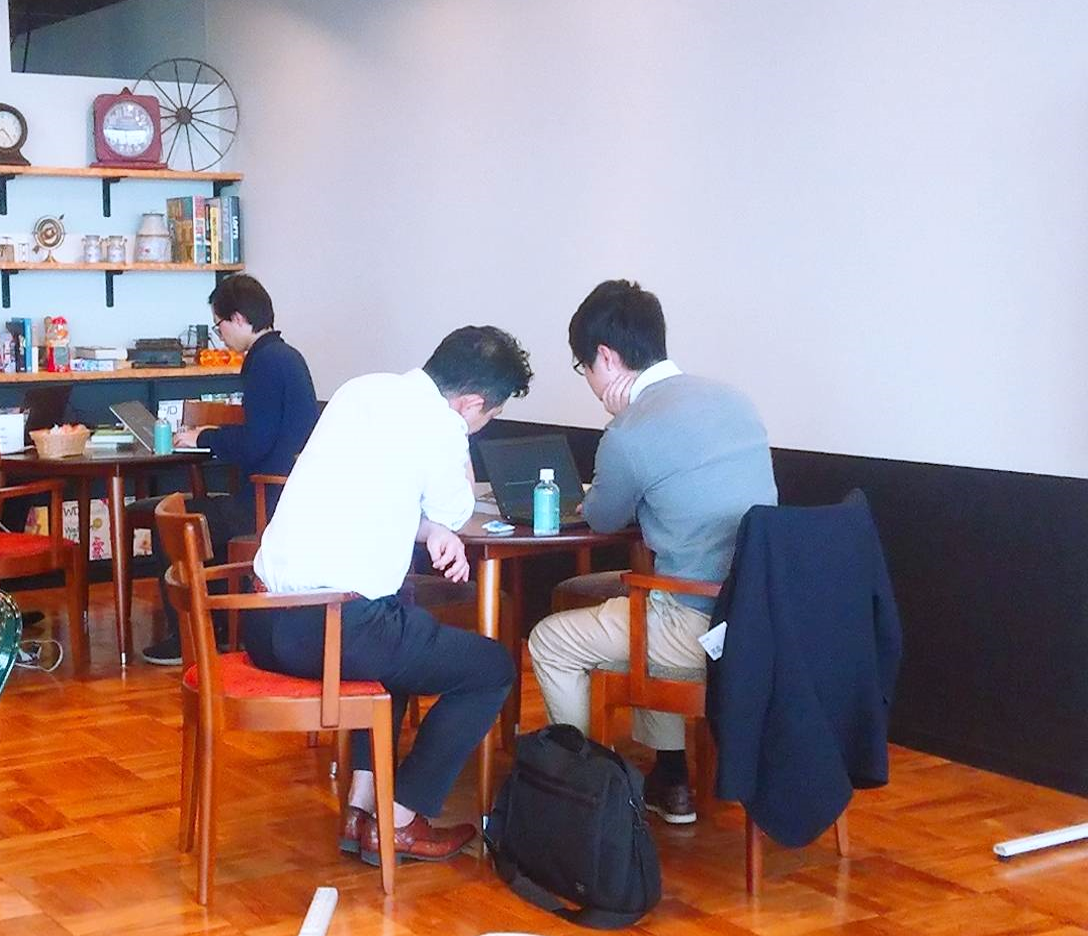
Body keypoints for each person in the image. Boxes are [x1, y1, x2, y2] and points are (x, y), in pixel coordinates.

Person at [248, 325, 532, 865]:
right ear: (472, 403)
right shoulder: (441, 425)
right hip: (333, 631)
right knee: (491, 668)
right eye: (487, 416)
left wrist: (428, 530)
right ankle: (399, 819)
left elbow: (364, 495)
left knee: (398, 630)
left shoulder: (360, 390)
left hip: (263, 618)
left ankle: (360, 809)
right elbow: (458, 509)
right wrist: (458, 446)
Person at [527, 279, 778, 825]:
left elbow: (602, 517)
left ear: (606, 357)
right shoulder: (735, 401)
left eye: (585, 368)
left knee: (551, 640)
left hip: (696, 626)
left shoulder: (632, 430)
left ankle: (591, 791)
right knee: (643, 602)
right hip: (765, 621)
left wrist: (620, 427)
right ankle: (672, 778)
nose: (590, 382)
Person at [142, 274, 318, 665]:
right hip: (287, 495)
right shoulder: (286, 357)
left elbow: (256, 443)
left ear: (238, 318)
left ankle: (187, 636)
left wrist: (205, 436)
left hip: (268, 503)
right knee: (207, 513)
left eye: (219, 324)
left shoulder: (265, 363)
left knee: (175, 521)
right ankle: (217, 626)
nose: (220, 334)